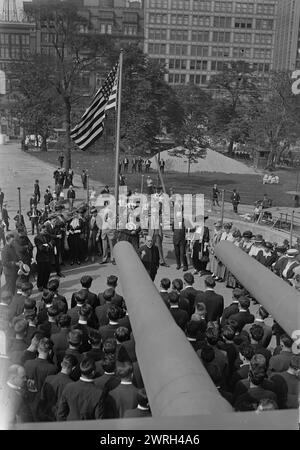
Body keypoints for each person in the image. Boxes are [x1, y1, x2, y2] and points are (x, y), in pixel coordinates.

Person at [34, 225, 53, 291]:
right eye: (44, 230)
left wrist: (47, 245)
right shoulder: (37, 238)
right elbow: (41, 248)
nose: (46, 231)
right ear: (40, 230)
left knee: (48, 271)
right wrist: (48, 245)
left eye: (46, 230)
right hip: (41, 258)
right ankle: (40, 285)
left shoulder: (48, 236)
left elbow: (52, 242)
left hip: (48, 257)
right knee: (41, 272)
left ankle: (45, 284)